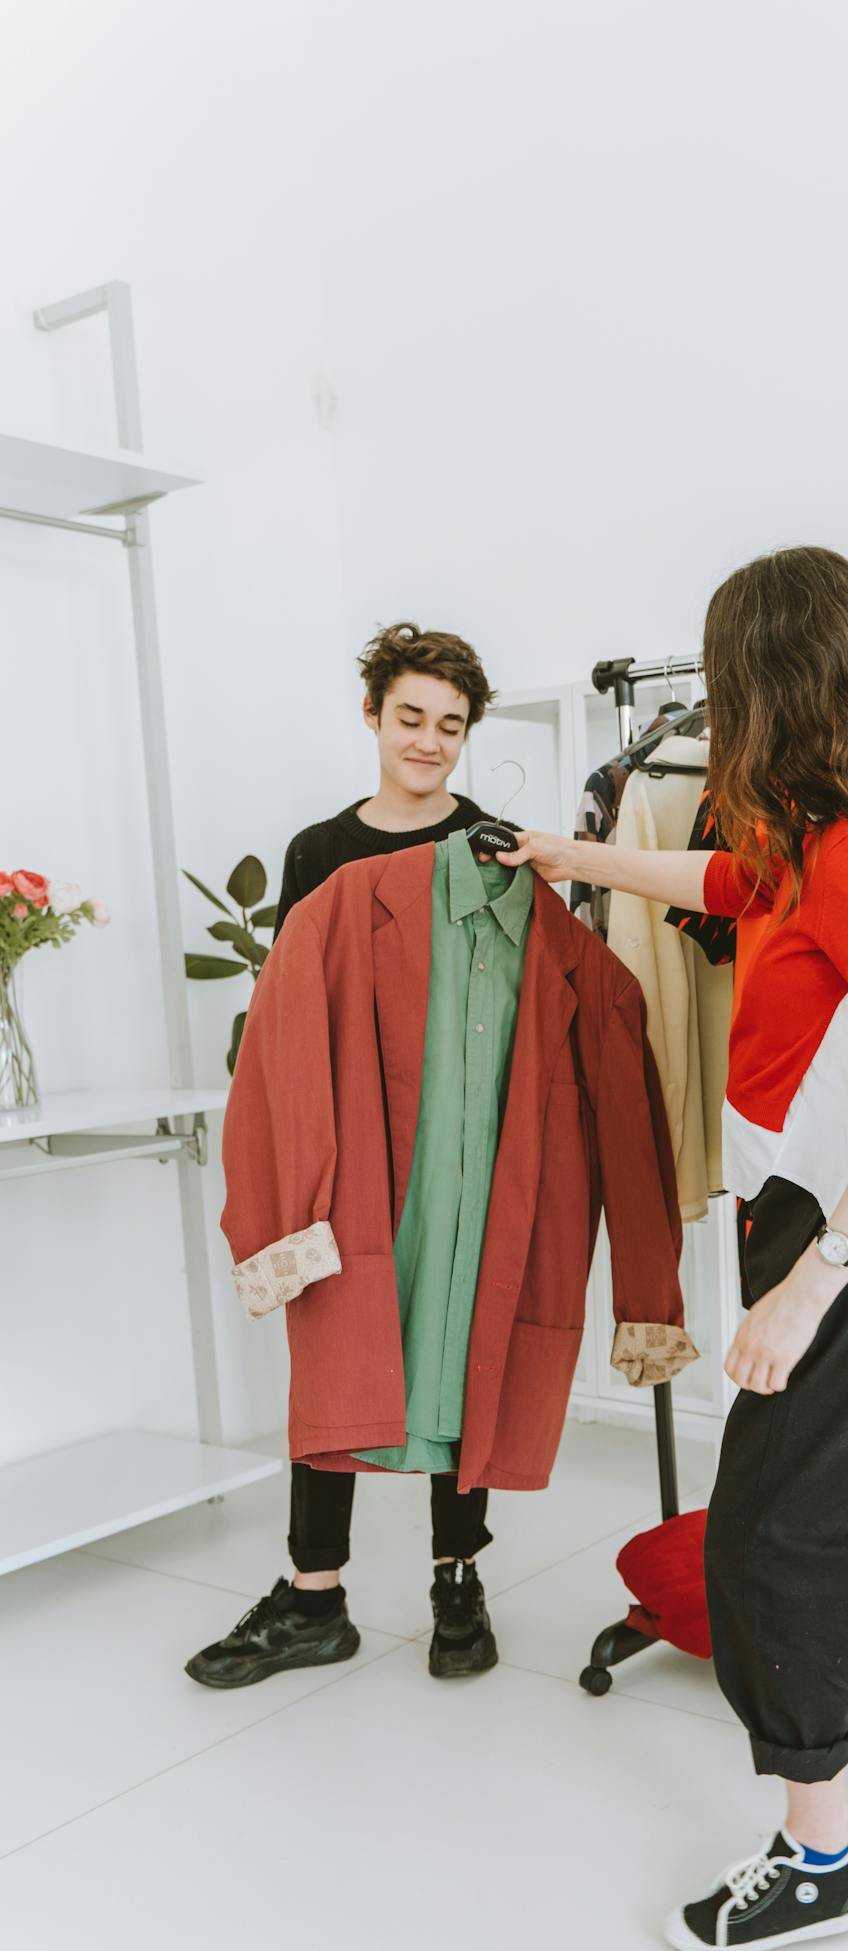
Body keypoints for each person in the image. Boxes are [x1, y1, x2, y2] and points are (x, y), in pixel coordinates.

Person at [500, 546, 848, 1951]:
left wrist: (804, 1285)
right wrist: (577, 856)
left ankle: (817, 1858)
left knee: (777, 1536)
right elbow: (732, 878)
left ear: (761, 689)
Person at [187, 622, 509, 1690]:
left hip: (458, 1141)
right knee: (333, 1349)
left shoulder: (494, 844)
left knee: (455, 1353)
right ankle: (314, 1592)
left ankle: (457, 1579)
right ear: (372, 715)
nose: (428, 741)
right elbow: (291, 1006)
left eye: (450, 725)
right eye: (410, 717)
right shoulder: (317, 851)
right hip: (349, 1141)